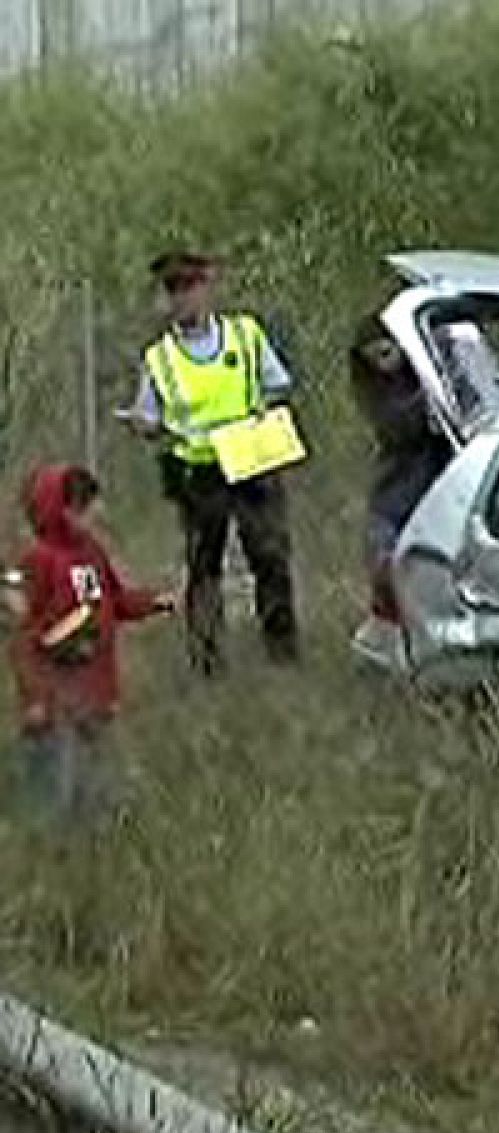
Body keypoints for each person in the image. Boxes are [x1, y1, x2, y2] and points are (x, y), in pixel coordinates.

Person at [123, 250, 300, 675]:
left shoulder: (245, 334)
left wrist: (264, 410)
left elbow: (278, 384)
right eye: (173, 289)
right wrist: (144, 424)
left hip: (252, 461)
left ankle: (283, 656)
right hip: (198, 472)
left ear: (208, 288)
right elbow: (147, 414)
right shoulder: (160, 358)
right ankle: (208, 664)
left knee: (270, 558)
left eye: (189, 287)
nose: (182, 298)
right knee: (204, 570)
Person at [9, 465, 174, 830]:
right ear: (54, 508)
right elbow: (23, 637)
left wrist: (155, 602)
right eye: (76, 506)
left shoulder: (92, 553)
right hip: (54, 701)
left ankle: (95, 856)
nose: (87, 514)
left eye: (89, 504)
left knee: (99, 790)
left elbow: (114, 601)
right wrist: (35, 698)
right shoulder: (38, 560)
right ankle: (49, 858)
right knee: (54, 797)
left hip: (95, 694)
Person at [347, 312, 454, 668]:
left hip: (441, 480)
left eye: (387, 352)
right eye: (375, 356)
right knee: (387, 557)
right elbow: (398, 427)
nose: (384, 363)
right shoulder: (377, 392)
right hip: (401, 483)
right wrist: (429, 399)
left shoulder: (434, 367)